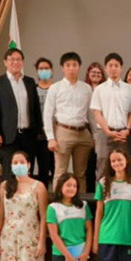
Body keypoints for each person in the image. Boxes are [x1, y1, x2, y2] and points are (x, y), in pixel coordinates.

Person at [44, 51, 96, 191]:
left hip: (83, 132)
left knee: (81, 174)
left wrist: (95, 136)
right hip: (63, 132)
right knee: (60, 172)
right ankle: (57, 206)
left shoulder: (86, 88)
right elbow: (47, 114)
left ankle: (81, 206)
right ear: (62, 67)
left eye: (74, 65)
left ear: (79, 67)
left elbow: (91, 114)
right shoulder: (55, 88)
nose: (71, 68)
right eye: (68, 65)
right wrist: (50, 138)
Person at [0, 48, 43, 176]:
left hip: (29, 135)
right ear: (5, 62)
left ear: (22, 62)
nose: (15, 62)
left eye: (18, 59)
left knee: (27, 170)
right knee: (8, 171)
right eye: (12, 59)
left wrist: (39, 130)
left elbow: (35, 109)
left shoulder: (29, 82)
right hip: (8, 136)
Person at [90, 52, 131, 182]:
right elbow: (97, 113)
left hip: (123, 134)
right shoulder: (99, 89)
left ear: (121, 68)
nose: (113, 68)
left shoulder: (129, 89)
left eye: (116, 65)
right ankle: (102, 200)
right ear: (105, 68)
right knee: (102, 166)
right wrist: (107, 131)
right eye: (110, 65)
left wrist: (127, 129)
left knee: (125, 166)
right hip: (104, 133)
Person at [33, 57, 57, 184]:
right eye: (41, 69)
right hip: (38, 135)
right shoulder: (32, 89)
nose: (44, 71)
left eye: (46, 68)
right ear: (37, 71)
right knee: (42, 168)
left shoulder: (57, 88)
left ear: (51, 70)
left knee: (55, 167)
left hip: (55, 134)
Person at [83, 63, 106, 194]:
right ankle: (89, 195)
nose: (96, 75)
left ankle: (100, 194)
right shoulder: (85, 90)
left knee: (101, 167)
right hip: (87, 133)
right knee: (89, 167)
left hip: (101, 133)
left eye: (99, 73)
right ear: (88, 74)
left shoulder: (104, 90)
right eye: (93, 72)